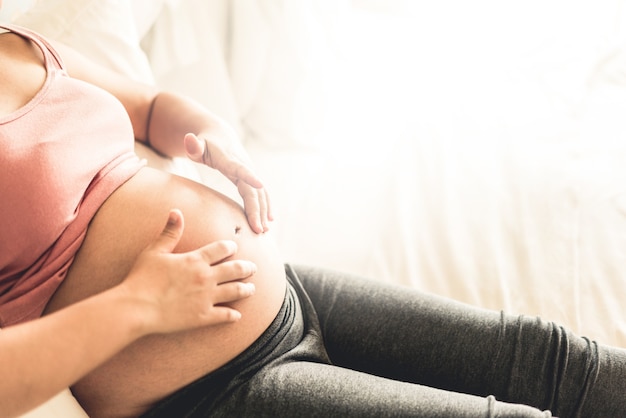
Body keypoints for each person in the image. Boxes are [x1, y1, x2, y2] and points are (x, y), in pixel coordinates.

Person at [1, 18, 625, 418]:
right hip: (206, 392)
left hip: (286, 291)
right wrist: (140, 303)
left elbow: (149, 107)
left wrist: (215, 136)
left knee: (556, 361)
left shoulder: (15, 43)